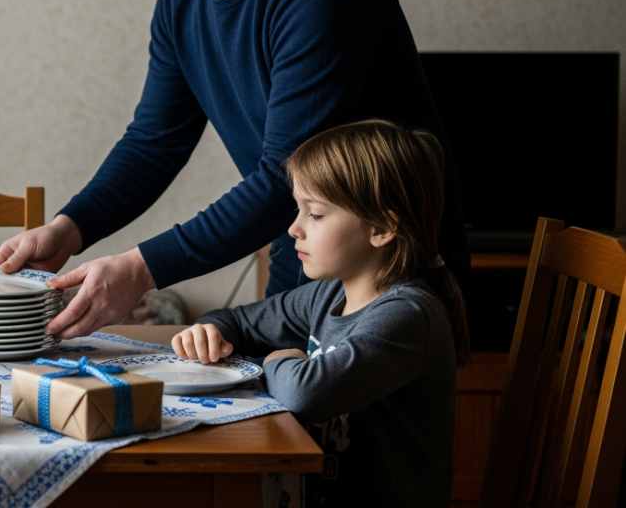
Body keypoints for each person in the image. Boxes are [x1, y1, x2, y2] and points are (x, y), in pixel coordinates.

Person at [0, 0, 469, 339]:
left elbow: (278, 177)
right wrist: (70, 227)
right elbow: (155, 141)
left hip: (390, 279)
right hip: (304, 262)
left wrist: (141, 269)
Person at [176, 119, 470, 508]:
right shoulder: (327, 293)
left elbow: (305, 392)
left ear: (381, 227)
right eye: (299, 210)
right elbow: (239, 321)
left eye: (314, 214)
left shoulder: (408, 315)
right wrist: (209, 328)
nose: (294, 228)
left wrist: (279, 358)